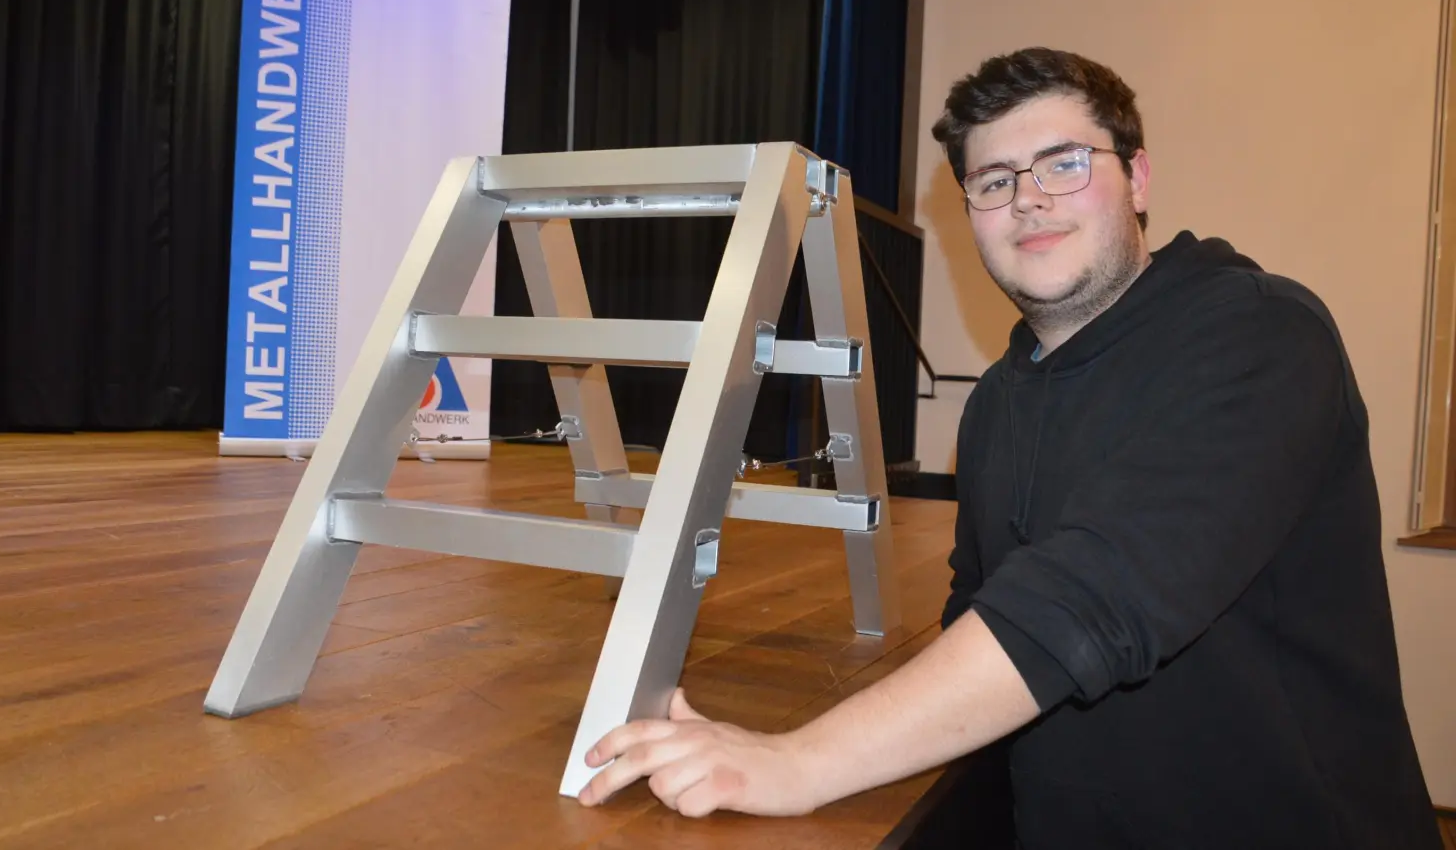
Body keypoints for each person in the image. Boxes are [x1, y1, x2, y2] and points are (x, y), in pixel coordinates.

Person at [575, 47, 1443, 849]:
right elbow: (982, 613)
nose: (1028, 198)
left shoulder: (1259, 333)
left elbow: (1092, 598)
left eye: (1065, 163)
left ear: (1137, 179)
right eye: (993, 181)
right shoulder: (994, 402)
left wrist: (800, 761)